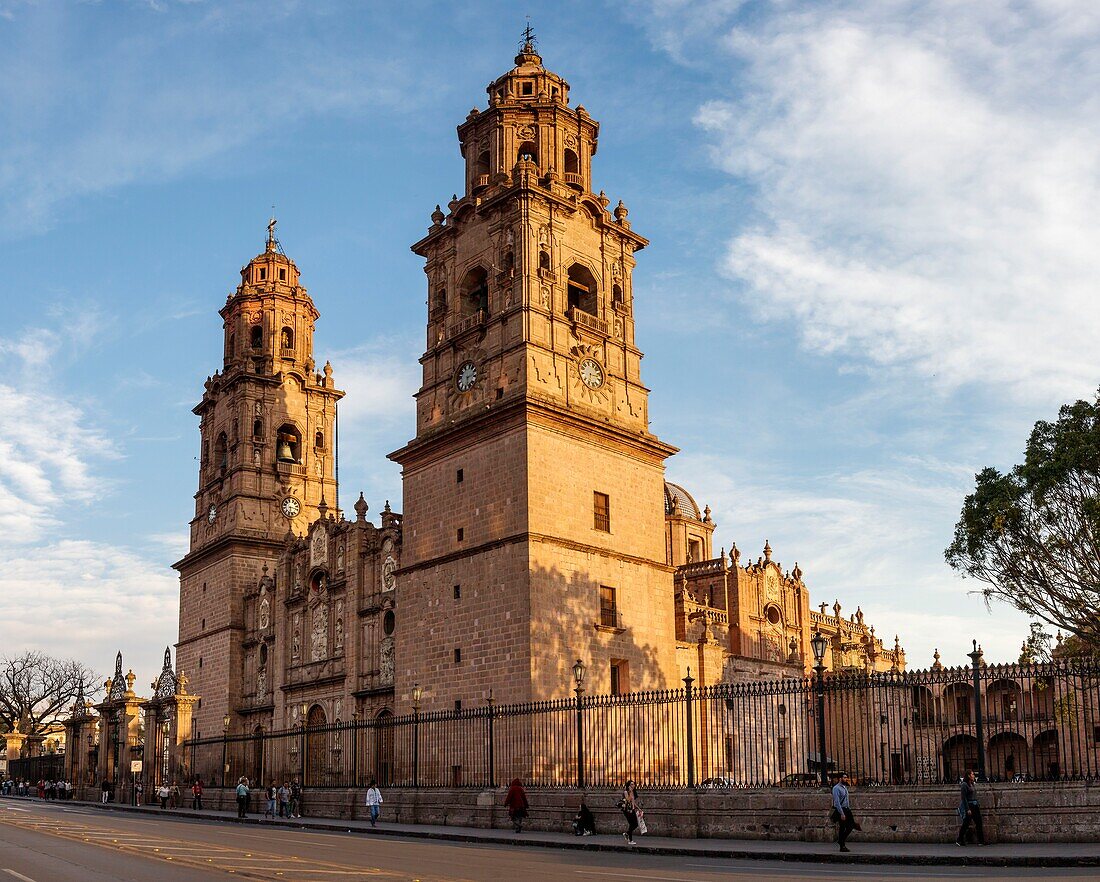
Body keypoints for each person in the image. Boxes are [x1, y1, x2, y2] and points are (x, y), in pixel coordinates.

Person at [956, 769, 986, 846]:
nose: (973, 776)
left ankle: (981, 841)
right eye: (972, 774)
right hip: (970, 806)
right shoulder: (964, 785)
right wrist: (967, 809)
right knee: (966, 824)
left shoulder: (972, 784)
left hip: (975, 805)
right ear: (968, 775)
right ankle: (959, 839)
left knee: (978, 822)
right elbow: (964, 798)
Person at [831, 772, 857, 852]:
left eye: (846, 777)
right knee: (842, 827)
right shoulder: (836, 788)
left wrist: (848, 809)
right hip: (841, 810)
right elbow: (837, 802)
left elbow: (846, 800)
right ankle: (842, 845)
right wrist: (842, 813)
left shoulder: (845, 787)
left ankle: (841, 840)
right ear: (840, 779)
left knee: (851, 826)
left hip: (847, 809)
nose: (846, 779)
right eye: (844, 777)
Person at [620, 780, 640, 845]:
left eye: (633, 784)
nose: (633, 785)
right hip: (627, 810)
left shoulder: (633, 792)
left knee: (635, 824)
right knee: (632, 824)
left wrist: (639, 808)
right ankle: (630, 840)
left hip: (632, 810)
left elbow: (633, 802)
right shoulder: (626, 792)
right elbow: (628, 800)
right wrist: (630, 792)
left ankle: (627, 834)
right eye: (631, 784)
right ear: (628, 785)